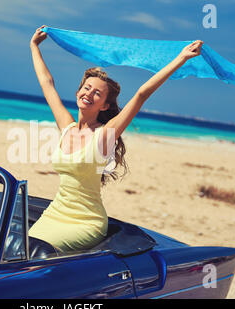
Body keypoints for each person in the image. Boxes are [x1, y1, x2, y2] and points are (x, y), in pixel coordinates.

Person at [28, 25, 203, 253]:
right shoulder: (67, 127)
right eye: (87, 88)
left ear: (105, 106)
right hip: (55, 212)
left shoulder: (104, 135)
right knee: (19, 251)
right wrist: (34, 46)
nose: (89, 94)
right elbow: (47, 84)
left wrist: (181, 58)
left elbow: (141, 94)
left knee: (37, 253)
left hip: (84, 222)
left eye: (97, 93)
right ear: (78, 91)